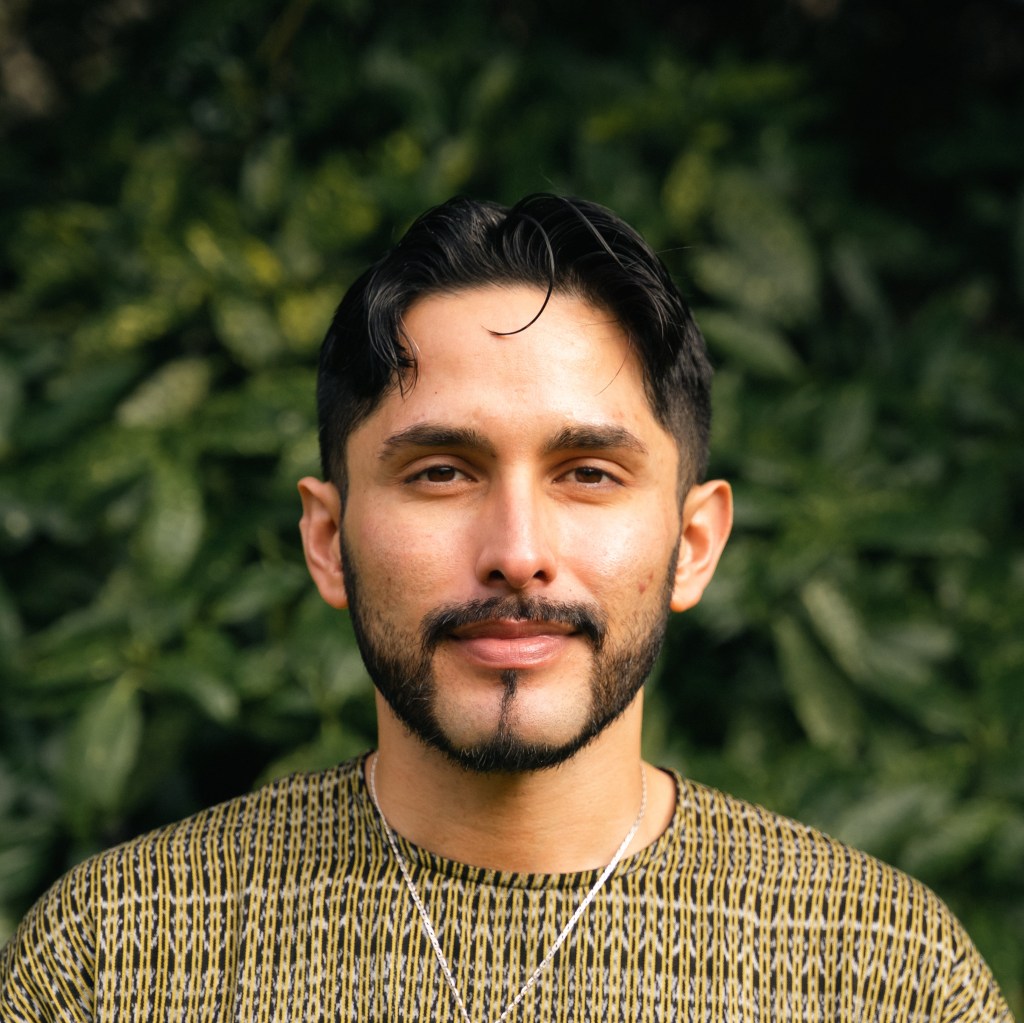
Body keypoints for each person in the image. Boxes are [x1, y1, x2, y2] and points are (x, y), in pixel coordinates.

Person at [0, 194, 1012, 1022]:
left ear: (693, 542)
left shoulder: (881, 972)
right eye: (442, 472)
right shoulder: (116, 957)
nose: (517, 553)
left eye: (588, 474)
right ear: (328, 540)